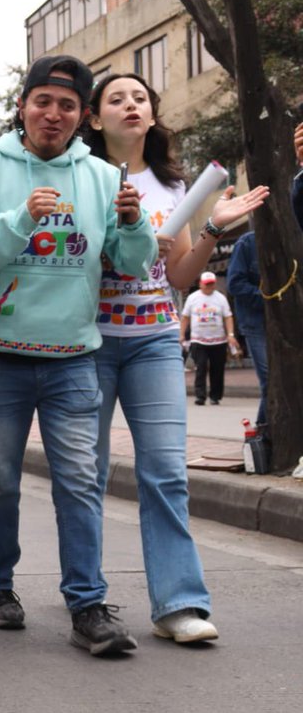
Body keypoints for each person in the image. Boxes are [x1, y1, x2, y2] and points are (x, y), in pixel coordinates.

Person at [0, 55, 157, 656]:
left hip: (73, 356)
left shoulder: (100, 175)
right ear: (23, 106)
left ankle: (88, 604)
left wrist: (135, 223)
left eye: (67, 105)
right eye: (43, 101)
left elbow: (132, 260)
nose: (53, 114)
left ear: (83, 116)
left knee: (80, 482)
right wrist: (21, 219)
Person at [83, 73, 267, 644]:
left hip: (155, 340)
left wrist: (212, 224)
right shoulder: (78, 177)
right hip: (86, 342)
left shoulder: (172, 184)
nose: (130, 105)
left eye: (140, 98)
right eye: (116, 98)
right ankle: (85, 600)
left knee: (164, 472)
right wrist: (124, 244)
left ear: (153, 114)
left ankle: (179, 604)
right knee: (82, 475)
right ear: (94, 118)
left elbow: (182, 277)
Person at [227, 231, 266, 426]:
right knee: (270, 381)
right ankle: (261, 437)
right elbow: (234, 284)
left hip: (288, 320)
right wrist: (268, 296)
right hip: (256, 321)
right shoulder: (248, 243)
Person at [180, 272, 235, 405]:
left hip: (218, 340)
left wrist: (230, 335)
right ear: (200, 284)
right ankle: (200, 395)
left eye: (211, 284)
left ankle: (215, 396)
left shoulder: (220, 298)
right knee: (201, 367)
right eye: (206, 284)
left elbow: (228, 317)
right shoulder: (193, 298)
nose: (209, 287)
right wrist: (181, 334)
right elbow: (185, 317)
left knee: (217, 369)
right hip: (199, 340)